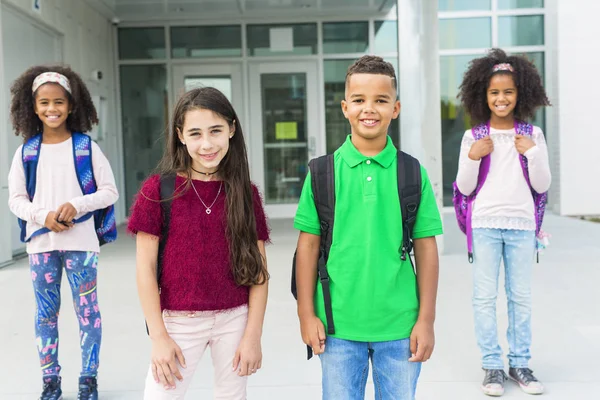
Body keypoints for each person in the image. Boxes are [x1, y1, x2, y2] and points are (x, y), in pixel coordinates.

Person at [294, 55, 443, 400]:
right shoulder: (322, 173)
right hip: (338, 328)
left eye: (381, 100)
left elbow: (426, 249)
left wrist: (426, 320)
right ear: (345, 107)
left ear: (396, 108)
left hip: (401, 327)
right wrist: (306, 313)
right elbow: (307, 248)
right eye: (359, 100)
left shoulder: (411, 172)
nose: (369, 109)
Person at [128, 87, 270, 399]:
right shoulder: (158, 190)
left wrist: (253, 335)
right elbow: (145, 270)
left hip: (235, 318)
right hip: (179, 321)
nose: (207, 144)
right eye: (195, 133)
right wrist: (158, 337)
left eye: (216, 131)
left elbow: (259, 273)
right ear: (180, 135)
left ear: (231, 129)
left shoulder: (245, 193)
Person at [8, 65, 119, 400]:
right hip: (41, 245)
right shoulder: (26, 151)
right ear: (33, 107)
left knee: (88, 312)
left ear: (72, 106)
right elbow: (15, 199)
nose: (51, 108)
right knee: (45, 315)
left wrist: (77, 204)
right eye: (44, 102)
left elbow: (109, 191)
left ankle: (88, 379)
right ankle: (51, 381)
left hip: (82, 244)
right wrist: (43, 216)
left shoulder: (86, 148)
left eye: (58, 102)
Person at [455, 48, 551, 396]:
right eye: (494, 92)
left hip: (522, 226)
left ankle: (520, 363)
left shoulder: (532, 135)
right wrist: (471, 157)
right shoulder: (474, 137)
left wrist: (533, 153)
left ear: (520, 93)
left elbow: (541, 185)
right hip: (484, 225)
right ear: (483, 95)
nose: (501, 98)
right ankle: (492, 366)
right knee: (483, 297)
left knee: (520, 297)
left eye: (508, 91)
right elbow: (465, 188)